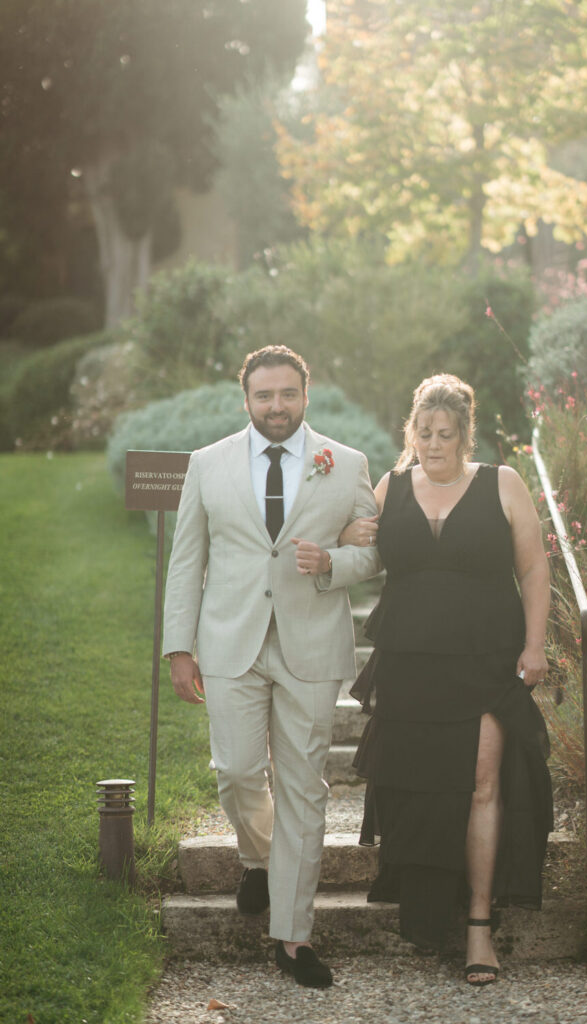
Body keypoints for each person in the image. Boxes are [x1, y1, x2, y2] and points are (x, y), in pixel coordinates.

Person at [163, 345, 381, 988]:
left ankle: (293, 936)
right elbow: (187, 560)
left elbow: (375, 552)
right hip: (230, 643)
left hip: (311, 645)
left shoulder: (347, 463)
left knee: (303, 789)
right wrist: (179, 647)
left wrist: (332, 563)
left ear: (305, 395)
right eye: (265, 395)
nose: (276, 406)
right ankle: (259, 858)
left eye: (288, 394)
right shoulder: (208, 464)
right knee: (236, 771)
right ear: (247, 400)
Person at [340, 373, 553, 986]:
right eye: (424, 432)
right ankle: (428, 913)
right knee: (418, 785)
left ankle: (479, 927)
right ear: (412, 432)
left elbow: (534, 568)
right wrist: (347, 534)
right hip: (409, 664)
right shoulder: (390, 487)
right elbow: (360, 550)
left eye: (445, 433)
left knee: (482, 783)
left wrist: (535, 644)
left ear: (465, 434)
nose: (434, 444)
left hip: (486, 661)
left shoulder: (502, 484)